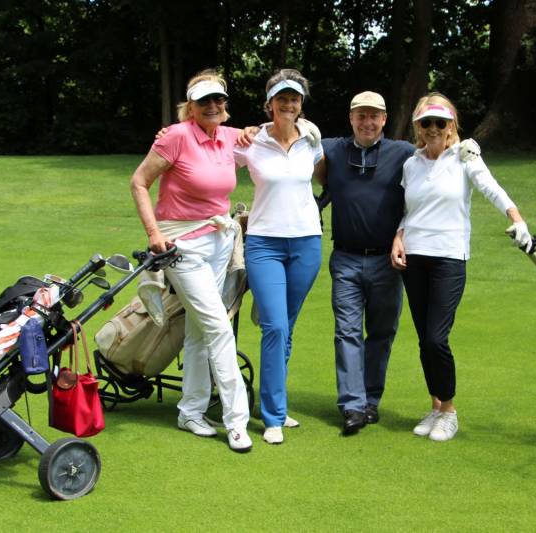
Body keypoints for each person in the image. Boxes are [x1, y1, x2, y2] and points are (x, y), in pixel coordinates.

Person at [390, 92, 532, 442]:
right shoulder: (411, 164)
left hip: (449, 257)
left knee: (436, 338)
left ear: (450, 126)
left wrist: (516, 218)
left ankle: (449, 410)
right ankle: (435, 406)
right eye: (426, 123)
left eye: (440, 123)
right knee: (424, 340)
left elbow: (492, 189)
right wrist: (398, 237)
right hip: (414, 257)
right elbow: (409, 210)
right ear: (418, 127)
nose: (433, 128)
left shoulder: (465, 156)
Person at [130, 69, 252, 453]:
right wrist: (153, 234)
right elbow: (139, 182)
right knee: (218, 326)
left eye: (218, 99)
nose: (213, 106)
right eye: (204, 101)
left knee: (199, 330)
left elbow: (277, 129)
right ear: (191, 107)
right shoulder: (176, 137)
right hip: (181, 246)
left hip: (218, 242)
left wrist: (256, 131)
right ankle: (237, 421)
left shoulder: (229, 137)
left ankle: (191, 411)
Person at [233, 69, 324, 445]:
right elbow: (207, 150)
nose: (288, 104)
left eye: (294, 98)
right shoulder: (249, 141)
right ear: (269, 103)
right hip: (264, 244)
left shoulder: (312, 139)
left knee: (286, 326)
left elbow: (325, 178)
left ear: (301, 103)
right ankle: (272, 417)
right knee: (274, 327)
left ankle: (277, 404)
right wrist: (171, 134)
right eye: (282, 98)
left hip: (306, 243)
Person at [316, 91, 414, 435]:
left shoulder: (403, 153)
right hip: (345, 258)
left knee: (382, 332)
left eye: (374, 116)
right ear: (351, 118)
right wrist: (251, 132)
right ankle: (352, 405)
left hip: (388, 261)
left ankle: (371, 399)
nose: (367, 122)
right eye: (361, 115)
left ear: (384, 119)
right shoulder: (332, 149)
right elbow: (293, 135)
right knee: (347, 331)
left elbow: (437, 163)